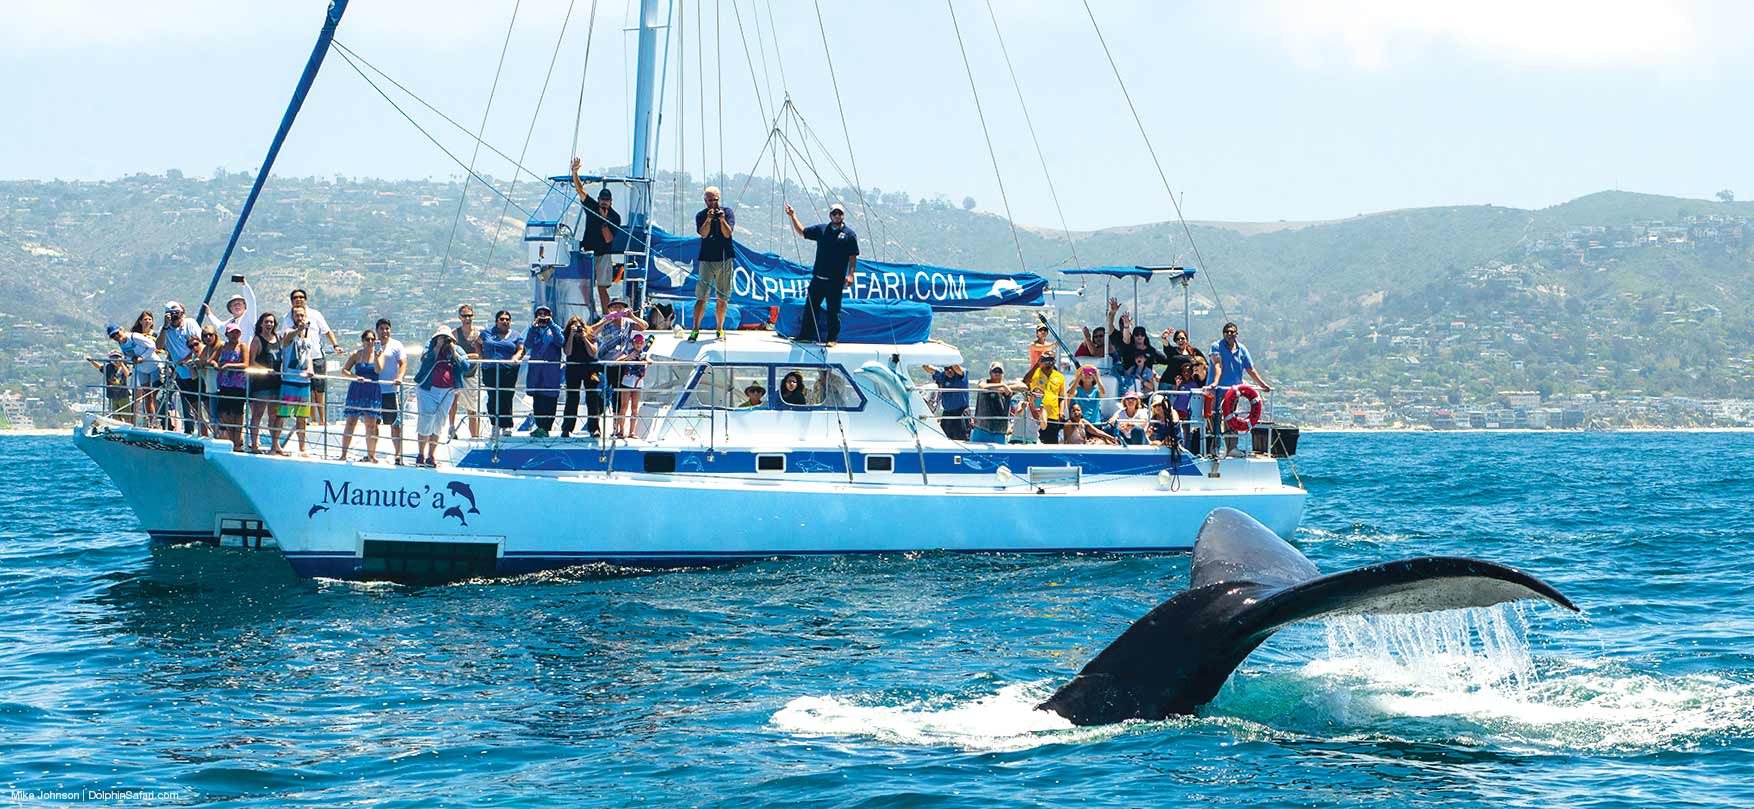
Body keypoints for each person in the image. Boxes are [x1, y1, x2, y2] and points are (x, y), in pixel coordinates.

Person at [784, 202, 858, 346]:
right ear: (830, 215)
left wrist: (851, 274)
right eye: (834, 213)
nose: (837, 216)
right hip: (818, 278)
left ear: (843, 216)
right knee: (811, 308)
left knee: (833, 311)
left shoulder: (849, 235)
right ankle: (805, 336)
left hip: (835, 280)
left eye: (839, 213)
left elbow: (853, 256)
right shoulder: (821, 230)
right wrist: (793, 216)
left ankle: (832, 339)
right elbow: (802, 232)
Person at [1209, 321, 1272, 457]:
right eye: (1226, 332)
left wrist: (1262, 385)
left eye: (1232, 332)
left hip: (1233, 392)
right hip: (1217, 390)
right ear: (1223, 334)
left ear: (1236, 334)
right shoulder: (1216, 346)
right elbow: (1217, 364)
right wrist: (1215, 383)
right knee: (1214, 418)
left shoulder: (1242, 349)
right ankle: (1214, 448)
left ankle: (1232, 448)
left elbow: (1250, 369)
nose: (1229, 334)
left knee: (1231, 418)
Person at [571, 157, 622, 317]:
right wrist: (575, 172)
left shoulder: (615, 217)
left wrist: (604, 220)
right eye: (602, 200)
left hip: (604, 255)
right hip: (588, 252)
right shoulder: (592, 207)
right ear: (599, 200)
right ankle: (590, 312)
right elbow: (580, 190)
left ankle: (607, 315)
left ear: (611, 202)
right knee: (585, 285)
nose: (604, 203)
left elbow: (608, 239)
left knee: (602, 287)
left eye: (607, 201)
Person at [413, 329, 472, 467]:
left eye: (447, 338)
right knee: (426, 420)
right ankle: (421, 454)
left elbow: (466, 366)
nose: (445, 340)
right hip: (428, 390)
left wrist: (454, 352)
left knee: (439, 422)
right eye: (442, 337)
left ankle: (431, 455)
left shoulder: (456, 349)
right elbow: (425, 361)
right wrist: (437, 347)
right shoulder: (430, 346)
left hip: (447, 391)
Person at [286, 289, 341, 423]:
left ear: (306, 299)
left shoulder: (315, 314)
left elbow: (327, 331)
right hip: (300, 360)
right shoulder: (288, 317)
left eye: (301, 297)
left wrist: (335, 345)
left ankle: (323, 420)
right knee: (309, 391)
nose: (298, 299)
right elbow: (285, 337)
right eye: (295, 297)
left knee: (319, 390)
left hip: (317, 356)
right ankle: (313, 419)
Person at [591, 298, 648, 429]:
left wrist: (632, 316)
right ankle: (595, 427)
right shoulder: (605, 321)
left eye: (620, 307)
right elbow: (592, 331)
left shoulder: (628, 322)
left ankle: (616, 428)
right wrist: (606, 320)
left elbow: (644, 326)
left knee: (617, 396)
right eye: (615, 307)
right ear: (610, 309)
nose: (617, 310)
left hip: (620, 364)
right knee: (601, 394)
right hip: (605, 363)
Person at [691, 186, 737, 340]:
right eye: (710, 200)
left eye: (715, 200)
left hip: (724, 259)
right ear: (705, 201)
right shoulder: (701, 215)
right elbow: (703, 234)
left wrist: (722, 220)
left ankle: (720, 328)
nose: (713, 203)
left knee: (722, 297)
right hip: (707, 259)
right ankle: (695, 329)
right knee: (701, 297)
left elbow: (728, 233)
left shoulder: (727, 212)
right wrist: (709, 219)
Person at [277, 306, 319, 456]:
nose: (300, 318)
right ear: (292, 317)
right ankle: (276, 445)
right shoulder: (289, 331)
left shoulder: (308, 337)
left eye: (302, 315)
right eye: (297, 316)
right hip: (289, 381)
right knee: (283, 415)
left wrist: (311, 369)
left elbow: (308, 355)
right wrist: (298, 330)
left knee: (302, 417)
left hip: (304, 383)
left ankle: (302, 448)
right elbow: (287, 339)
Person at [158, 301, 203, 434]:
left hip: (197, 370)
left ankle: (207, 432)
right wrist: (165, 327)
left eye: (177, 313)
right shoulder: (166, 330)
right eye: (171, 314)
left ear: (183, 313)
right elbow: (159, 346)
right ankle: (193, 431)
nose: (175, 316)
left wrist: (186, 359)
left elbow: (199, 344)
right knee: (191, 405)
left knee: (203, 403)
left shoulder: (191, 323)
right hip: (181, 373)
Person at [339, 330, 383, 463]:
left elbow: (378, 370)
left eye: (372, 339)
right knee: (351, 422)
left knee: (371, 424)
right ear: (363, 341)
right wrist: (355, 377)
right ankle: (343, 454)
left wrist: (377, 356)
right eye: (367, 339)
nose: (370, 342)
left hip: (372, 391)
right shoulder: (356, 355)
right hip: (357, 390)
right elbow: (344, 370)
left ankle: (371, 455)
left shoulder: (380, 355)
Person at [523, 305, 566, 437]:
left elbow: (560, 342)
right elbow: (528, 345)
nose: (542, 316)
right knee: (538, 399)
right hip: (536, 371)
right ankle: (540, 426)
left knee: (550, 399)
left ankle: (547, 427)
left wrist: (551, 324)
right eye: (540, 314)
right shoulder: (533, 330)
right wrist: (533, 328)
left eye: (545, 314)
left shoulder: (555, 329)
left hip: (551, 372)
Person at [479, 311, 524, 433]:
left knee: (506, 396)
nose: (505, 321)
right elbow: (477, 343)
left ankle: (507, 425)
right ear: (496, 321)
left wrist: (515, 357)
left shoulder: (515, 335)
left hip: (508, 370)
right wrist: (482, 357)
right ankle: (495, 424)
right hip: (490, 369)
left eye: (507, 319)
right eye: (502, 319)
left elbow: (520, 349)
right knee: (493, 397)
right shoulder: (487, 333)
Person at [561, 315, 603, 438]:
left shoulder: (590, 334)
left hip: (590, 368)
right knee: (572, 397)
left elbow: (593, 352)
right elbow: (567, 352)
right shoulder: (567, 335)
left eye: (578, 326)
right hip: (573, 368)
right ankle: (567, 428)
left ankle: (594, 428)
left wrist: (584, 337)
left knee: (592, 397)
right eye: (574, 326)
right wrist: (571, 335)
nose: (577, 328)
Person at [246, 313, 282, 452]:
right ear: (261, 324)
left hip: (276, 382)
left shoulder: (277, 338)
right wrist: (265, 370)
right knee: (258, 413)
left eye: (271, 322)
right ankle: (255, 444)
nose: (269, 324)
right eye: (266, 322)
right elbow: (252, 361)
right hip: (261, 383)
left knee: (274, 414)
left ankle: (275, 445)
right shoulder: (257, 340)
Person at [374, 318, 409, 463]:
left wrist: (399, 377)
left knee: (395, 423)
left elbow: (403, 364)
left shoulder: (396, 345)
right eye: (381, 328)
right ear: (377, 330)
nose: (384, 331)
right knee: (373, 423)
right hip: (374, 390)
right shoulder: (372, 344)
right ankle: (372, 453)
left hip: (391, 390)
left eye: (387, 328)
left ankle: (398, 454)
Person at [121, 311, 163, 427]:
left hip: (153, 364)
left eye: (150, 319)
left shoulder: (155, 335)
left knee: (151, 395)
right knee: (137, 395)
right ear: (140, 321)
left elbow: (160, 347)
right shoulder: (135, 336)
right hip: (139, 367)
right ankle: (133, 422)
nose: (147, 321)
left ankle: (152, 421)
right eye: (145, 319)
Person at [213, 323, 250, 451]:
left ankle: (237, 442)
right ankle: (230, 440)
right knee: (224, 413)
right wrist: (215, 365)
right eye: (232, 333)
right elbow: (213, 359)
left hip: (238, 385)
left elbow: (245, 364)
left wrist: (229, 365)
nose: (234, 335)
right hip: (224, 384)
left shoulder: (242, 346)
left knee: (237, 414)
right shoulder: (222, 346)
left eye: (237, 332)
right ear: (227, 334)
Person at [449, 304, 484, 440]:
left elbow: (480, 355)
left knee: (472, 407)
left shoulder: (478, 334)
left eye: (469, 315)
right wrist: (469, 356)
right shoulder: (454, 334)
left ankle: (474, 436)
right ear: (459, 317)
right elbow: (451, 353)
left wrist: (463, 356)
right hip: (457, 373)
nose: (467, 318)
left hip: (472, 373)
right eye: (464, 316)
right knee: (453, 401)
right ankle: (451, 428)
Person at [1022, 349, 1066, 444]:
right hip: (1037, 414)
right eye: (1046, 359)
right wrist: (1037, 364)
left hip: (1053, 415)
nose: (1049, 362)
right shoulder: (1035, 372)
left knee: (1052, 444)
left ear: (1055, 361)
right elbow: (1025, 382)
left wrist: (1061, 411)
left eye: (1051, 359)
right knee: (1036, 442)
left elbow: (1061, 397)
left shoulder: (1060, 377)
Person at [970, 363, 1020, 444]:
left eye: (999, 371)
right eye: (995, 371)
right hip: (982, 429)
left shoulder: (1007, 387)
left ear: (1003, 373)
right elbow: (981, 386)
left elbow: (1024, 386)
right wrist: (1002, 386)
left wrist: (1006, 388)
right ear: (990, 373)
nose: (997, 373)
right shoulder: (984, 381)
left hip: (999, 431)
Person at [614, 332, 650, 438]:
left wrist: (647, 361)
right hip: (627, 382)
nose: (639, 344)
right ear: (633, 344)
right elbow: (618, 360)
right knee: (624, 406)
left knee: (635, 407)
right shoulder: (628, 352)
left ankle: (632, 432)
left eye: (641, 343)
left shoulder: (644, 354)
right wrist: (628, 357)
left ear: (643, 344)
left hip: (638, 383)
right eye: (637, 342)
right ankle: (621, 430)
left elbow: (649, 361)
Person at [924, 363, 970, 440]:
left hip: (961, 412)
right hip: (947, 413)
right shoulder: (943, 375)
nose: (949, 370)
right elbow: (927, 368)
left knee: (961, 438)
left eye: (951, 368)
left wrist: (951, 360)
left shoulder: (961, 374)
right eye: (947, 368)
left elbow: (957, 368)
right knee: (944, 438)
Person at [88, 347, 131, 421]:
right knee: (115, 416)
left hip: (123, 394)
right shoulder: (109, 367)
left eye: (117, 357)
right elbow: (99, 366)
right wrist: (91, 361)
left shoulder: (124, 367)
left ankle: (128, 426)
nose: (115, 360)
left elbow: (127, 374)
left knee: (126, 415)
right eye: (113, 358)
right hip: (113, 395)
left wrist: (121, 364)